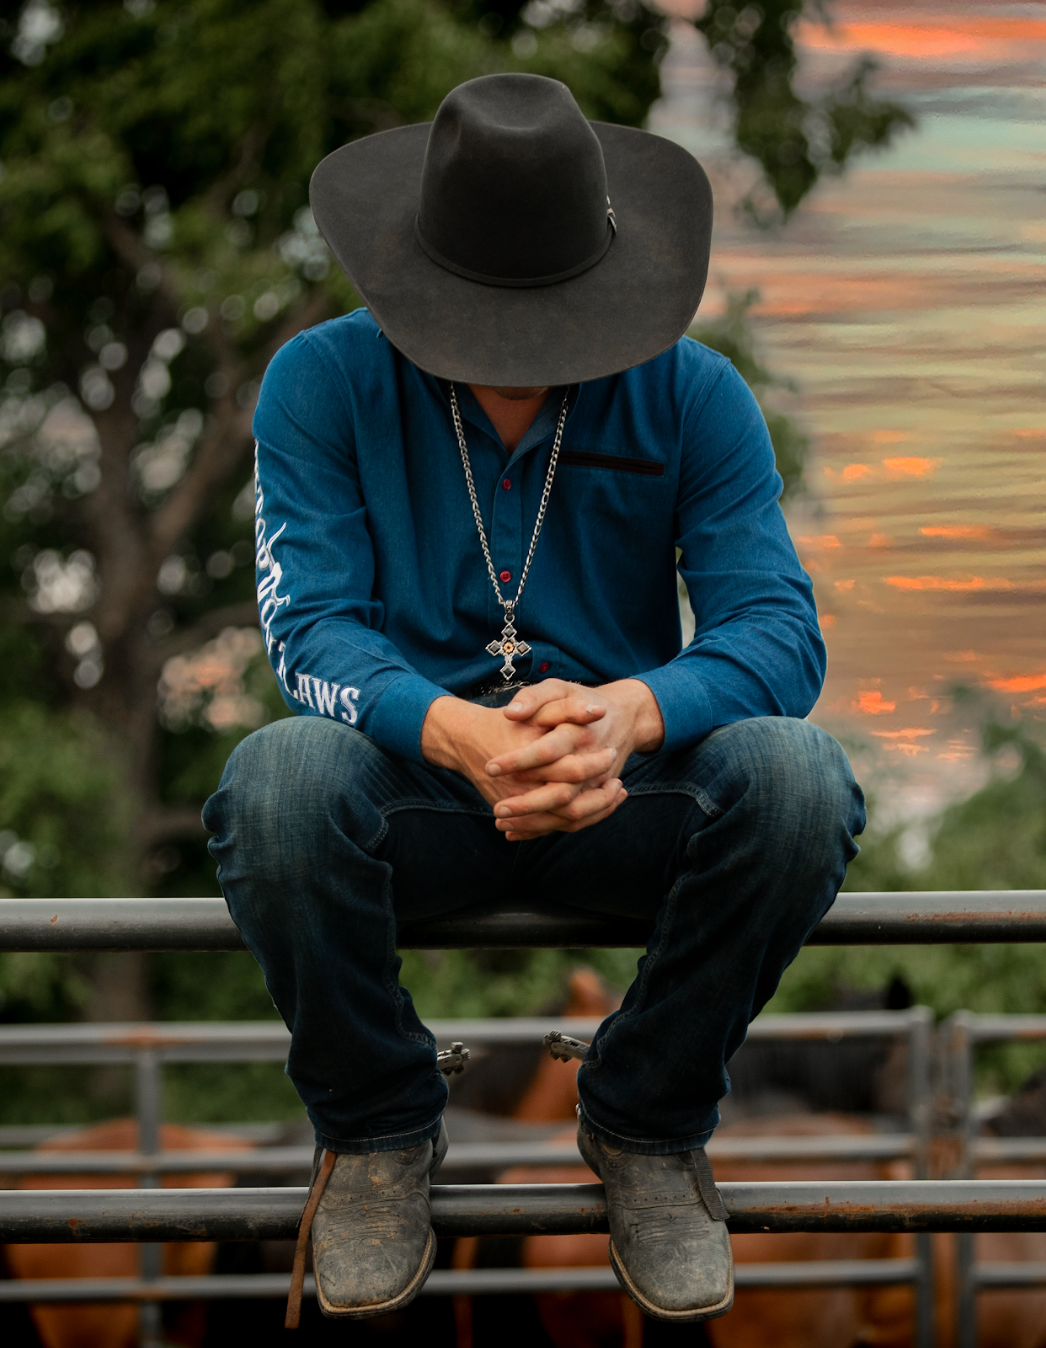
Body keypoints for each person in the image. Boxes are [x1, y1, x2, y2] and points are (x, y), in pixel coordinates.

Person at [203, 72, 866, 1327]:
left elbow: (776, 632)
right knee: (277, 781)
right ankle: (380, 1129)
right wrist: (453, 730)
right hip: (418, 799)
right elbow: (309, 628)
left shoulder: (695, 394)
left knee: (797, 779)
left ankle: (646, 1119)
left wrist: (630, 712)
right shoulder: (318, 384)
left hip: (625, 797)